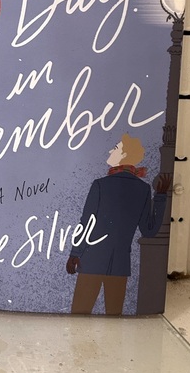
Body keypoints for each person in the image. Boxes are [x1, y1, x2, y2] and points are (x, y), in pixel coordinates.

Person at [66, 133, 170, 315]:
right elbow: (149, 230)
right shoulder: (143, 189)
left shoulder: (100, 185)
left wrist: (75, 252)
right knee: (114, 318)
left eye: (115, 148)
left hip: (91, 261)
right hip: (120, 265)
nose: (110, 151)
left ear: (123, 155)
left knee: (79, 314)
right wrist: (160, 197)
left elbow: (86, 222)